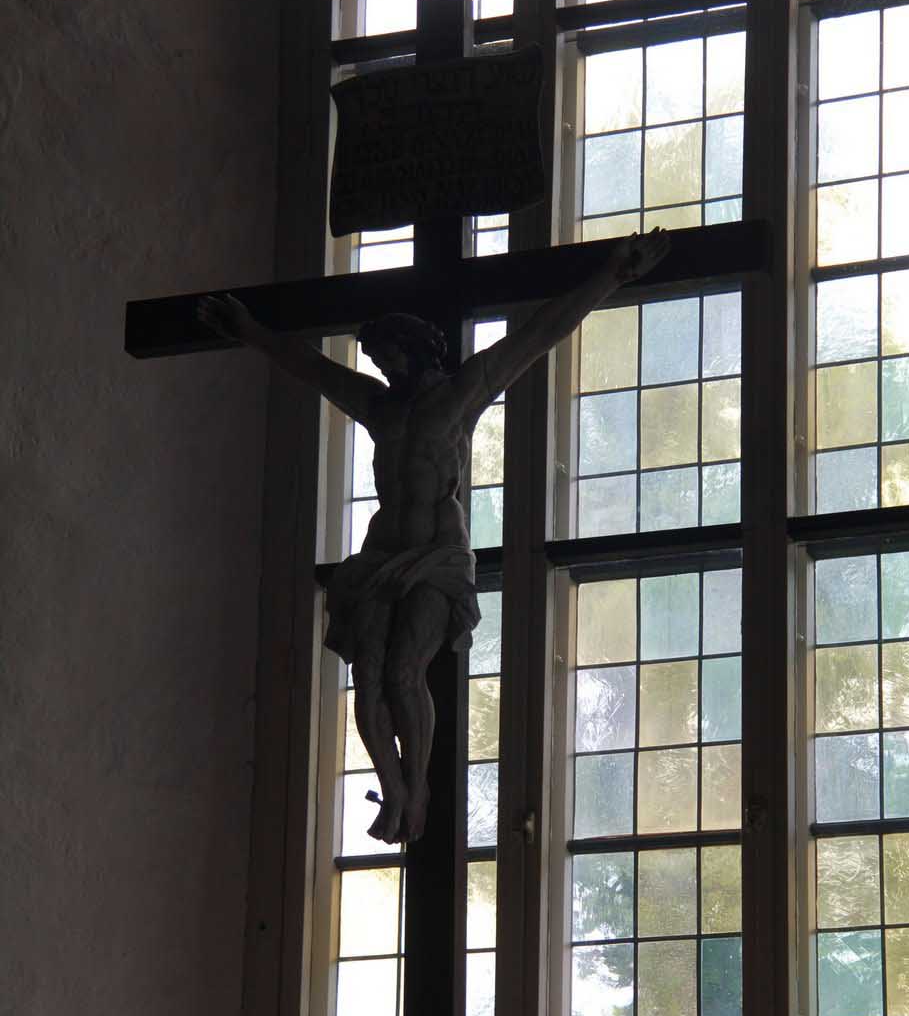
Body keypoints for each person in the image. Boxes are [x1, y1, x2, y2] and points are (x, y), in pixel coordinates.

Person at [198, 228, 669, 844]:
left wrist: (611, 276)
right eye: (377, 361)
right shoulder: (379, 406)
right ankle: (391, 789)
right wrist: (251, 332)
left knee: (402, 673)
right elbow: (310, 367)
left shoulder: (462, 394)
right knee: (366, 677)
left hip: (437, 558)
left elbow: (538, 334)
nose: (383, 368)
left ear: (417, 350)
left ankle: (416, 789)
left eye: (390, 356)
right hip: (380, 555)